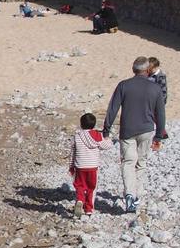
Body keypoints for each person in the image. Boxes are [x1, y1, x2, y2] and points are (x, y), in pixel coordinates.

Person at [103, 57, 166, 214]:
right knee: (141, 162)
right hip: (146, 130)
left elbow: (112, 108)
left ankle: (130, 194)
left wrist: (106, 130)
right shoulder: (155, 88)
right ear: (147, 70)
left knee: (128, 163)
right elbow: (161, 113)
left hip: (127, 130)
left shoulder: (123, 85)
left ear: (133, 70)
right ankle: (137, 195)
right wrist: (159, 136)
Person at [69, 113, 113, 217]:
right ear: (93, 125)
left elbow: (72, 153)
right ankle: (88, 209)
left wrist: (71, 166)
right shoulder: (97, 135)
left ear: (81, 124)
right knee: (91, 188)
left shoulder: (76, 136)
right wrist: (108, 139)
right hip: (93, 167)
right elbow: (106, 146)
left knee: (79, 185)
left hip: (79, 166)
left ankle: (80, 200)